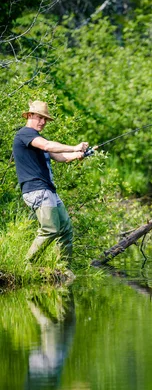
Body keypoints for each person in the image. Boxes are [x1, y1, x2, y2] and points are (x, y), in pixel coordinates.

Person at [13, 100, 91, 267]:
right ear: (30, 115)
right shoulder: (25, 134)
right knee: (50, 229)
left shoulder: (37, 139)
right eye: (39, 118)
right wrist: (74, 146)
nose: (43, 122)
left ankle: (62, 269)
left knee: (65, 230)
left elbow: (60, 156)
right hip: (36, 190)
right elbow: (48, 146)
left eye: (45, 119)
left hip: (48, 191)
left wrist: (78, 154)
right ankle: (27, 265)